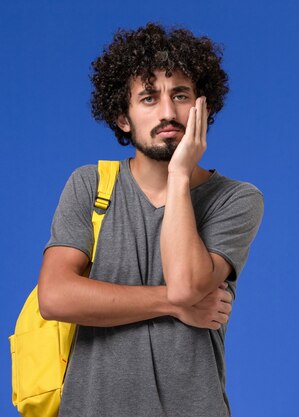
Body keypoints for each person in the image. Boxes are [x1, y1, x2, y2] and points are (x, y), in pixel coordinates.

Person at [37, 22, 264, 417]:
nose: (167, 112)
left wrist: (179, 175)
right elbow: (55, 296)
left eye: (180, 95)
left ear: (201, 108)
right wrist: (173, 305)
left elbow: (188, 283)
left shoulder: (236, 198)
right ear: (123, 118)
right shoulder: (90, 185)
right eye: (148, 98)